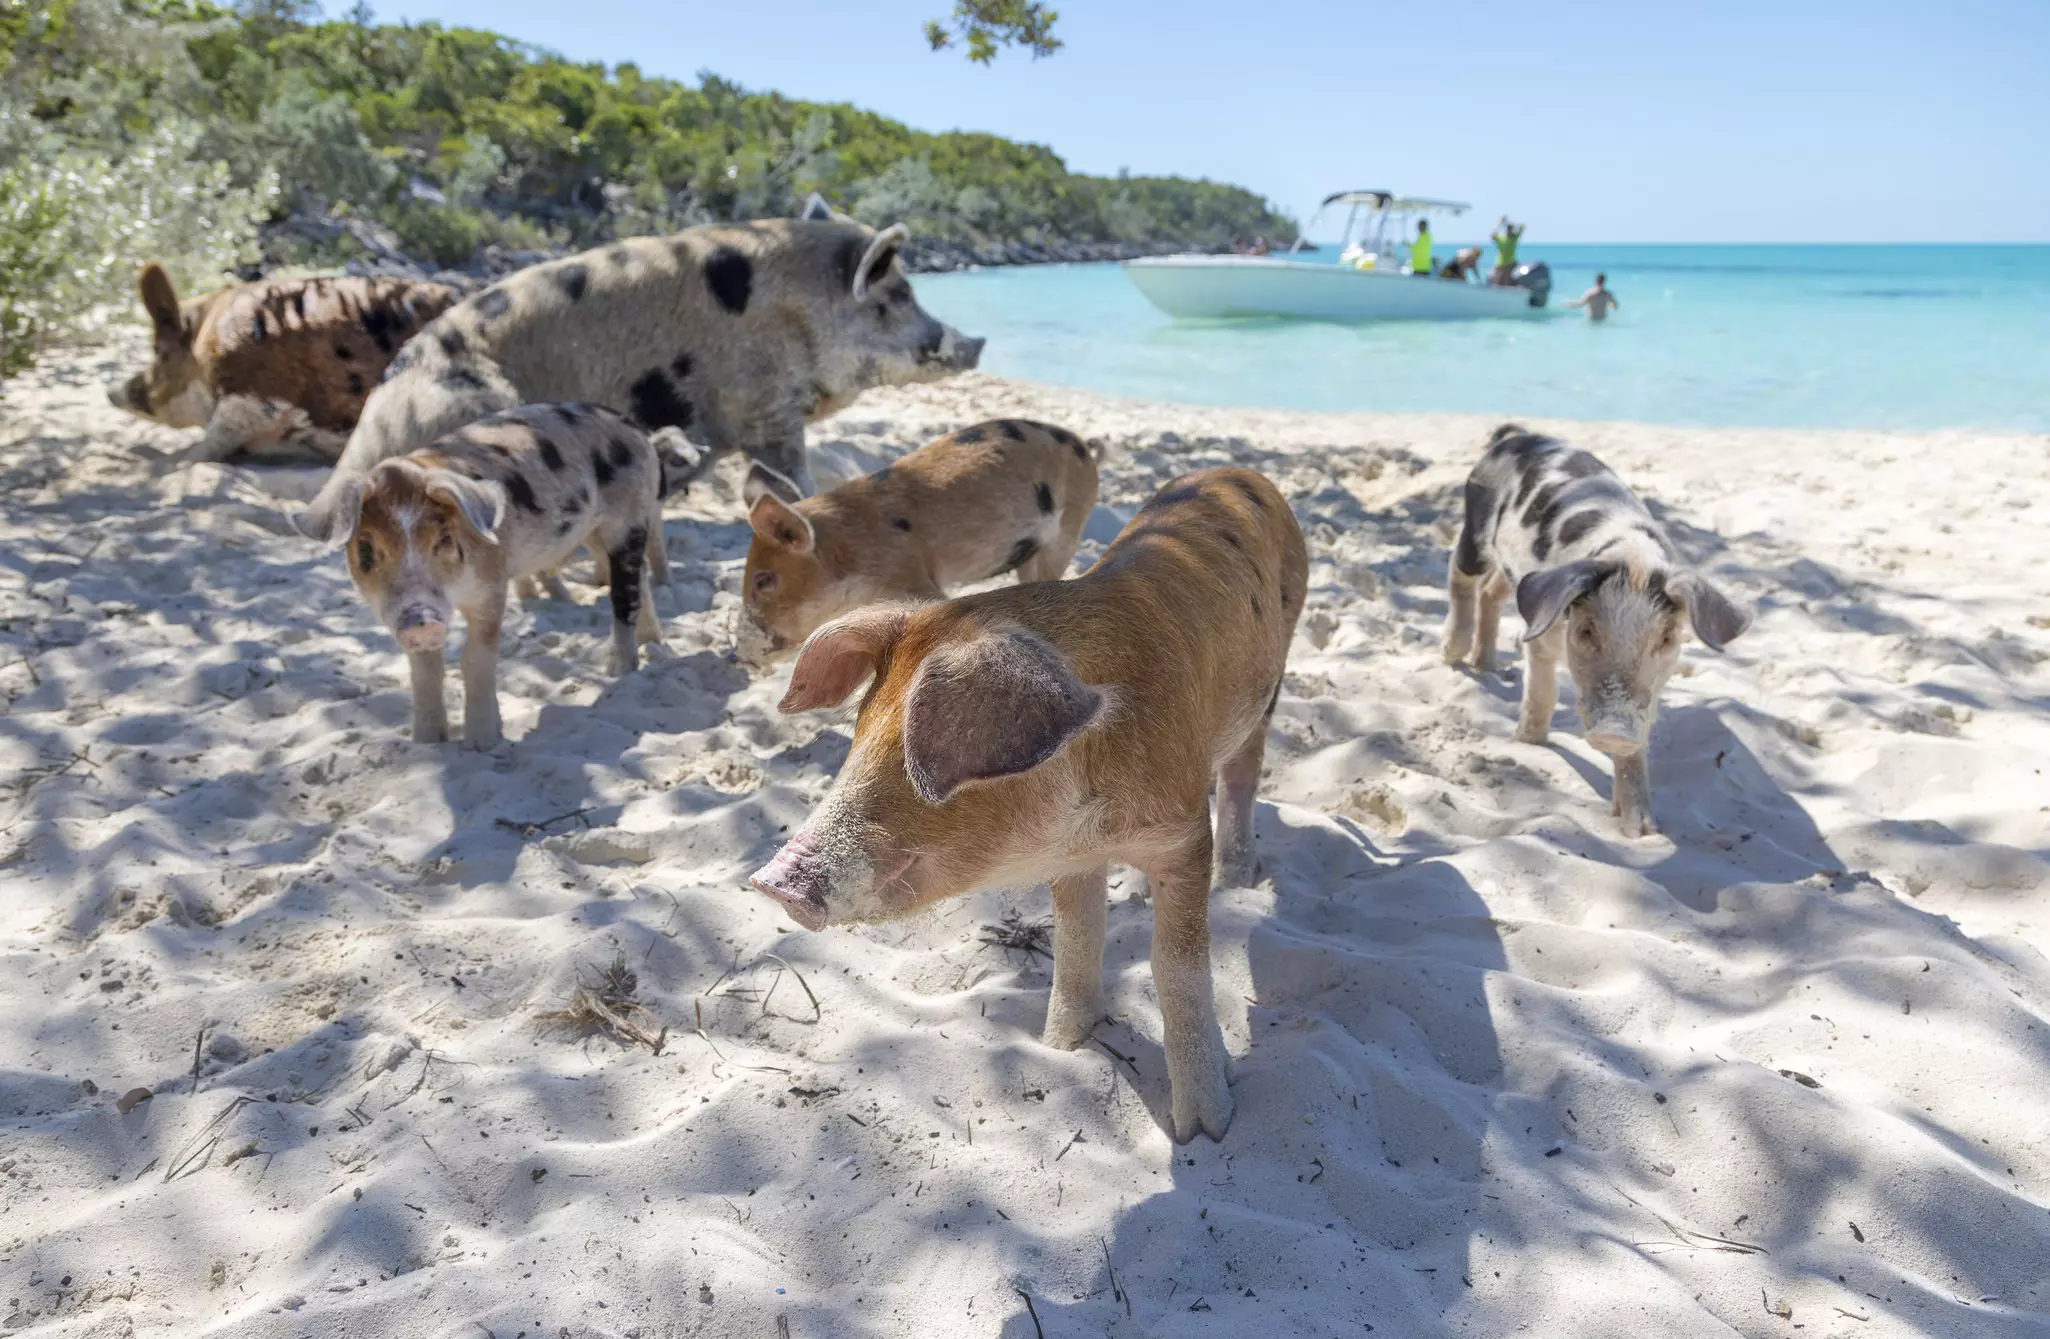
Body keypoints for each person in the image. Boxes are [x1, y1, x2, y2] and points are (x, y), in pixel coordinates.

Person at [1489, 217, 1524, 284]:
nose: (1510, 230)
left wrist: (1510, 223)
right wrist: (1500, 225)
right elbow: (1492, 236)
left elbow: (1522, 228)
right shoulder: (1501, 238)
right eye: (1508, 229)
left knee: (1508, 281)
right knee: (1497, 281)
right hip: (1500, 263)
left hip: (1510, 264)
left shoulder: (1514, 238)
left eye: (1511, 229)